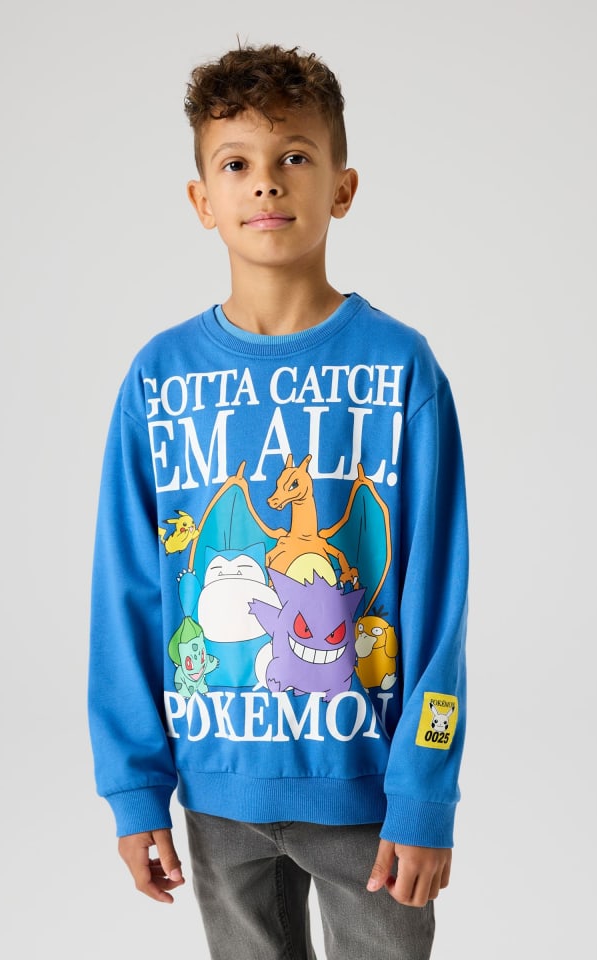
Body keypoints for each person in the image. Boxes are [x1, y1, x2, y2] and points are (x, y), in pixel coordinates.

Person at [88, 42, 468, 960]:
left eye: (295, 155)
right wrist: (133, 788)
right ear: (201, 200)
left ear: (342, 187)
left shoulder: (400, 369)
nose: (265, 182)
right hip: (216, 791)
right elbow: (128, 590)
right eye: (237, 164)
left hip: (367, 791)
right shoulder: (160, 380)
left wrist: (424, 793)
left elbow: (437, 600)